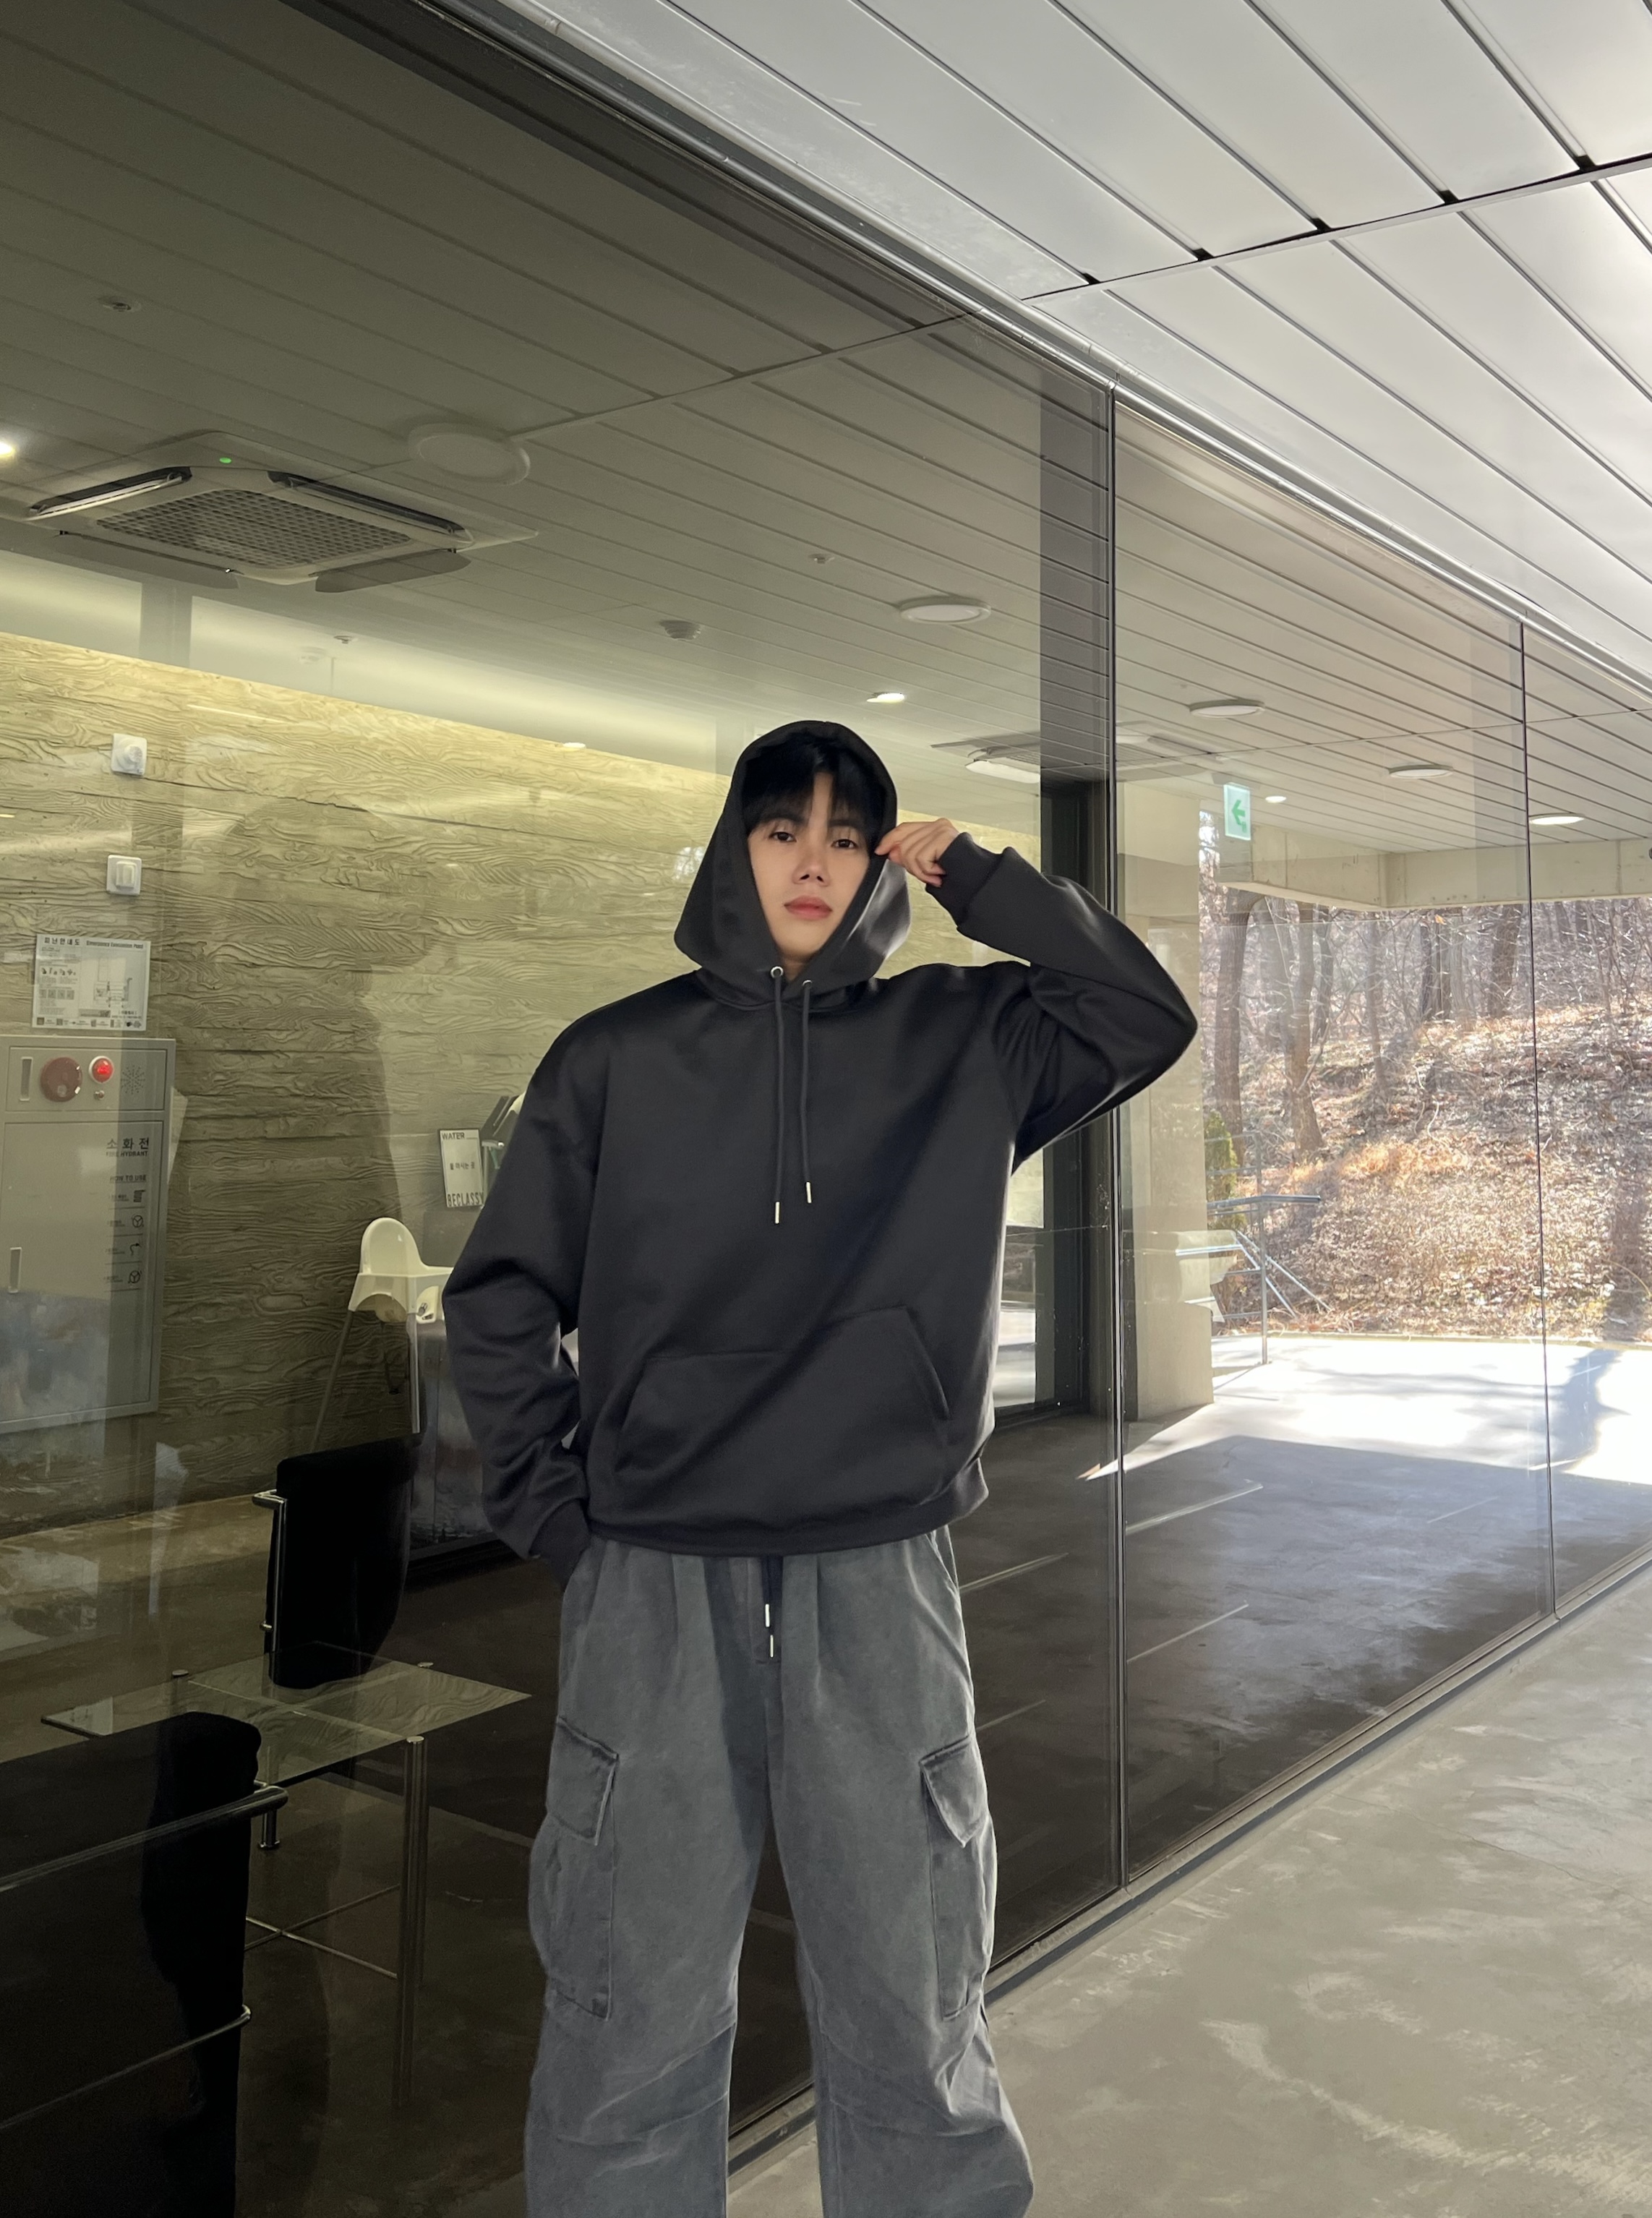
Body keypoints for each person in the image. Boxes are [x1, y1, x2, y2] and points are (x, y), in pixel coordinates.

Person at [443, 720, 1197, 2218]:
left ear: (877, 864)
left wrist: (981, 876)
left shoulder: (965, 1039)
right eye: (782, 829)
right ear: (735, 850)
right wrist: (555, 1512)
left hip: (880, 1564)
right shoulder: (614, 1056)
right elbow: (502, 1292)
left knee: (913, 1989)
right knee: (626, 1998)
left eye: (846, 837)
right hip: (655, 1573)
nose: (812, 861)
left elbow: (1142, 1011)